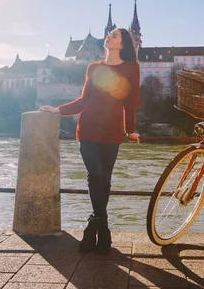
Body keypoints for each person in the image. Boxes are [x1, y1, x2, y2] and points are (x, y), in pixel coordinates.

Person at [39, 27, 140, 254]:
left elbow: (130, 103)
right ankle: (102, 228)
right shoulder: (93, 68)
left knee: (105, 180)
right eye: (110, 34)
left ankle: (94, 224)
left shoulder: (131, 68)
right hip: (88, 130)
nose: (109, 36)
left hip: (112, 132)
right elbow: (83, 100)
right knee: (95, 175)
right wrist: (58, 110)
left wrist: (130, 130)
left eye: (114, 35)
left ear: (122, 45)